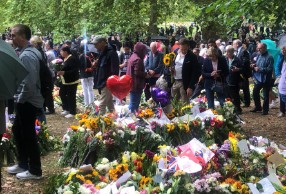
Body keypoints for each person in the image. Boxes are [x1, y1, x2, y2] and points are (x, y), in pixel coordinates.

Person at [7, 24, 43, 179]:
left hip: (28, 101)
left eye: (14, 35)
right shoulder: (27, 52)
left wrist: (20, 100)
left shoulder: (27, 55)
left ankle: (35, 170)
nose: (11, 38)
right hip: (27, 100)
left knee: (28, 134)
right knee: (18, 130)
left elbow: (29, 83)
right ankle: (23, 164)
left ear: (22, 36)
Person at [92, 36, 119, 115]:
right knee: (109, 102)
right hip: (102, 81)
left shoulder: (111, 53)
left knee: (102, 104)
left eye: (96, 44)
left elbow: (115, 70)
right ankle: (114, 119)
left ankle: (100, 124)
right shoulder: (102, 53)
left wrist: (112, 82)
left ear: (102, 43)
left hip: (107, 82)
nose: (95, 46)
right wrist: (96, 64)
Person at [171, 38, 201, 103]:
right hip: (175, 81)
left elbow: (195, 72)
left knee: (184, 104)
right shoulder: (175, 53)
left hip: (185, 83)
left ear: (188, 47)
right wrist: (170, 68)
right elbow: (170, 63)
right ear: (179, 46)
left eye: (185, 49)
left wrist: (190, 87)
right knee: (174, 102)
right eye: (182, 49)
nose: (184, 51)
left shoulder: (192, 56)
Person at [250, 43, 274, 115]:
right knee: (255, 92)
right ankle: (258, 107)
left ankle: (265, 110)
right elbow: (257, 63)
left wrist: (260, 69)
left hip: (266, 79)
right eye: (258, 48)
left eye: (260, 48)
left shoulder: (270, 57)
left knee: (266, 95)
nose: (258, 49)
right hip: (258, 78)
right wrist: (254, 65)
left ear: (264, 48)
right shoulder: (258, 55)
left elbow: (270, 69)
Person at [57, 46, 80, 118]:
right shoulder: (64, 59)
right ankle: (66, 108)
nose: (60, 53)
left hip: (72, 81)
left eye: (61, 51)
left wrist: (64, 73)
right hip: (65, 81)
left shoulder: (72, 59)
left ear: (65, 52)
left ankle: (72, 111)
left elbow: (74, 70)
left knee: (71, 96)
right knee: (62, 93)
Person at [126, 42, 148, 112]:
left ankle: (132, 117)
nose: (145, 53)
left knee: (133, 103)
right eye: (144, 51)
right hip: (136, 85)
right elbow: (137, 72)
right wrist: (146, 74)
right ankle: (129, 118)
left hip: (131, 84)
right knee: (134, 104)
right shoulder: (138, 59)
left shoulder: (133, 56)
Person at [225, 45, 243, 114]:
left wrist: (237, 69)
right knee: (227, 96)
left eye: (228, 52)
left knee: (235, 96)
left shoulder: (237, 59)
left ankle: (238, 109)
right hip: (226, 80)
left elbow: (243, 69)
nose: (226, 53)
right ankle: (229, 109)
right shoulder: (225, 59)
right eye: (226, 52)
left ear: (232, 52)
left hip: (235, 80)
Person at [233, 39, 251, 107]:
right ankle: (242, 101)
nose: (233, 46)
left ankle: (247, 102)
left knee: (245, 88)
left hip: (243, 72)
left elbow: (245, 62)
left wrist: (239, 68)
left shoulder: (244, 51)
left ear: (237, 44)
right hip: (239, 72)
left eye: (234, 44)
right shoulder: (238, 51)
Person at [275, 46, 286, 117]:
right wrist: (278, 75)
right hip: (282, 78)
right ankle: (282, 111)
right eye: (283, 50)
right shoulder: (282, 57)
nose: (283, 51)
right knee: (281, 96)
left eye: (284, 50)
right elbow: (278, 66)